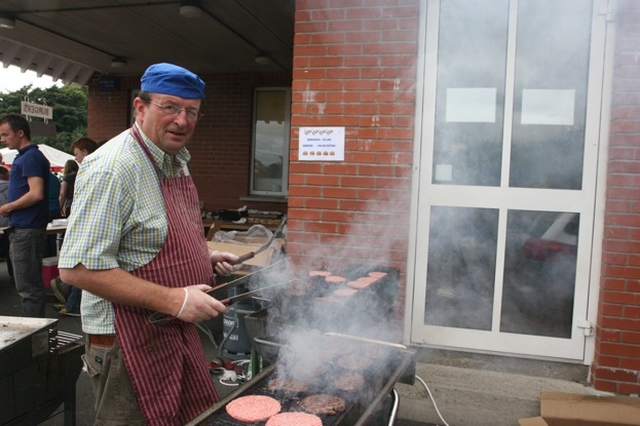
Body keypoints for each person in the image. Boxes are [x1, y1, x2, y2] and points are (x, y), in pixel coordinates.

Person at [58, 63, 242, 425]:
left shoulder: (174, 160)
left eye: (191, 112)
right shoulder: (114, 168)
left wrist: (204, 254)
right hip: (127, 343)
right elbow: (77, 268)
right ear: (140, 108)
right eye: (170, 107)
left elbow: (158, 230)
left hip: (168, 332)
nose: (182, 120)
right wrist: (175, 299)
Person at [0, 113, 50, 318]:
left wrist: (8, 207)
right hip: (26, 229)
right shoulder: (28, 156)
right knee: (28, 288)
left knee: (28, 290)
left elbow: (36, 193)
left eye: (5, 134)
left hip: (27, 230)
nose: (3, 139)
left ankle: (33, 340)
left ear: (20, 133)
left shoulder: (30, 157)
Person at [52, 138, 98, 316]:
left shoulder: (89, 171)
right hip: (88, 225)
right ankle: (71, 301)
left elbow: (65, 194)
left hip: (86, 225)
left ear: (85, 152)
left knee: (81, 266)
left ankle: (73, 303)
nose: (76, 158)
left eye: (77, 153)